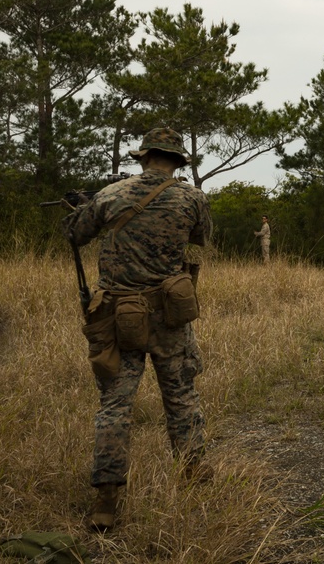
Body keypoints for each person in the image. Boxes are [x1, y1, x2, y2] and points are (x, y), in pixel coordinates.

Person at [64, 128, 212, 531]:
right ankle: (194, 477)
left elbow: (75, 235)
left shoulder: (110, 196)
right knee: (181, 397)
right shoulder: (193, 198)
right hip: (169, 316)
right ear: (179, 161)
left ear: (143, 157)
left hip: (120, 317)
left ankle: (106, 501)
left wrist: (84, 206)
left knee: (115, 407)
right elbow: (200, 240)